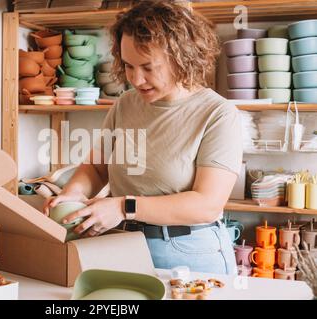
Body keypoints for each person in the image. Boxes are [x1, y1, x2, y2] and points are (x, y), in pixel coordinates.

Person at [44, 0, 242, 275]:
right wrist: (72, 196)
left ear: (181, 57)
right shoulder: (125, 104)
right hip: (121, 244)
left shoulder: (218, 114)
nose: (136, 79)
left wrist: (125, 207)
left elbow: (207, 205)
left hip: (188, 252)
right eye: (128, 66)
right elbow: (97, 167)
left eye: (148, 67)